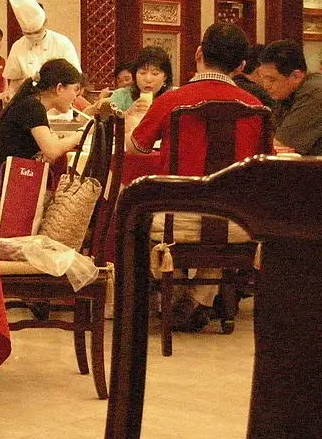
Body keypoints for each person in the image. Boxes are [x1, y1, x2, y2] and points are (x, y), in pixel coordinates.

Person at [128, 24, 269, 330]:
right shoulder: (257, 108)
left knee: (135, 211)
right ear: (241, 66)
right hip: (237, 223)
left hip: (177, 219)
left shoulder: (172, 101)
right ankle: (199, 299)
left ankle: (174, 295)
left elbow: (137, 147)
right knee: (219, 214)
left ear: (199, 54)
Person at [0, 58, 85, 192]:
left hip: (16, 181)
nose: (76, 97)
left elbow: (49, 145)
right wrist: (81, 135)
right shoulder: (33, 107)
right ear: (59, 88)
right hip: (12, 189)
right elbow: (52, 150)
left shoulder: (32, 104)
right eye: (75, 90)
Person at [1, 0, 80, 100]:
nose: (33, 36)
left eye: (37, 32)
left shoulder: (62, 43)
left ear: (45, 22)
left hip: (58, 103)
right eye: (28, 34)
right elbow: (14, 80)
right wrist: (10, 92)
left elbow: (75, 79)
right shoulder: (18, 46)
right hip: (28, 102)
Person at [254, 40, 322, 155]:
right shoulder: (286, 93)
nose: (265, 86)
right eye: (262, 77)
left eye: (271, 79)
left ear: (295, 76)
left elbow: (280, 145)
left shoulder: (315, 93)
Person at [110, 45, 173, 116]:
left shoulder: (174, 95)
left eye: (155, 73)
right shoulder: (121, 95)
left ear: (165, 77)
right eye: (142, 73)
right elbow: (108, 118)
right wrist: (127, 114)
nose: (148, 79)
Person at [232, 44, 277, 111]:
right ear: (260, 70)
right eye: (270, 78)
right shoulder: (259, 92)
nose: (268, 85)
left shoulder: (232, 83)